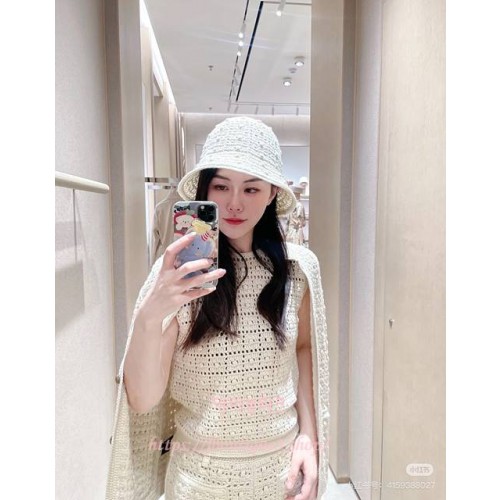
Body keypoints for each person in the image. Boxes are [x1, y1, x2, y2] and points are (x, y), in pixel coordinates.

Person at [105, 117, 330, 500]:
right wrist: (151, 312)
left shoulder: (298, 270)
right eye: (221, 186)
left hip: (282, 478)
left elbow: (304, 348)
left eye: (251, 188)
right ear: (205, 190)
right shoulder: (177, 278)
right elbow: (143, 399)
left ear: (272, 193)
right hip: (197, 481)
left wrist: (308, 437)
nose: (234, 203)